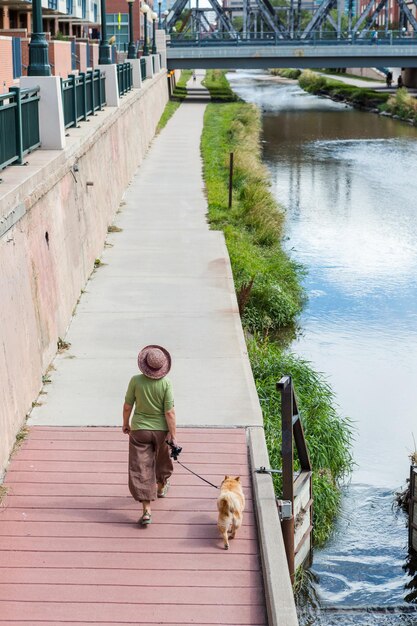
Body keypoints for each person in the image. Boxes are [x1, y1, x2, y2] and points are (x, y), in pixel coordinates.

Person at [122, 345, 177, 525]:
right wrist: (173, 436)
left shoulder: (135, 381)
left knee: (141, 467)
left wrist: (126, 423)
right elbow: (169, 412)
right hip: (161, 431)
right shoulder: (166, 383)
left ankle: (146, 510)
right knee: (162, 459)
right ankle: (161, 487)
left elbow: (128, 405)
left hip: (140, 431)